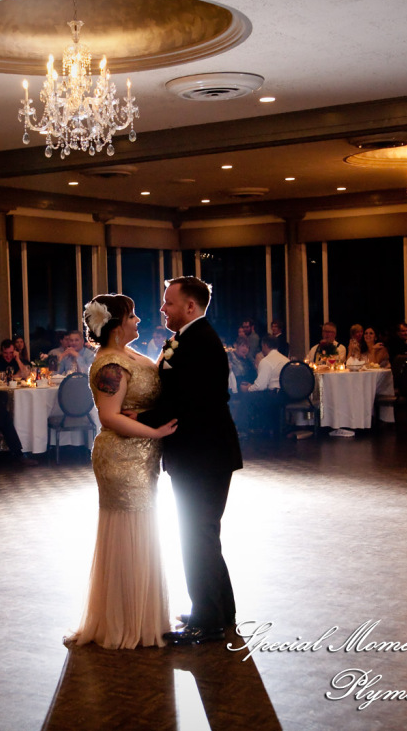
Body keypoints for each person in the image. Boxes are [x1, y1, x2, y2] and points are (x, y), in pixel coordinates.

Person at [68, 294, 178, 649]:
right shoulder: (110, 365)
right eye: (132, 316)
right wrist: (156, 431)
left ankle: (143, 614)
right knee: (130, 531)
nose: (138, 321)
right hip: (121, 459)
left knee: (143, 531)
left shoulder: (130, 355)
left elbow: (150, 381)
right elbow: (110, 416)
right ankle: (125, 621)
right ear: (116, 325)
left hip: (143, 456)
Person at [143, 276, 242, 646]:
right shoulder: (188, 339)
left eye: (168, 303)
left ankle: (206, 621)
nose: (162, 309)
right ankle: (220, 609)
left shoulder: (198, 342)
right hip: (205, 451)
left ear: (189, 307)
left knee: (196, 534)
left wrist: (138, 421)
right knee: (203, 533)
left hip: (201, 453)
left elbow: (186, 402)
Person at [239, 334, 289, 435]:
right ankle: (265, 426)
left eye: (262, 347)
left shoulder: (266, 361)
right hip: (286, 395)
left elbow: (260, 386)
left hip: (274, 395)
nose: (262, 349)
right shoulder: (286, 360)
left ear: (265, 345)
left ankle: (242, 429)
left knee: (246, 396)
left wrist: (248, 388)